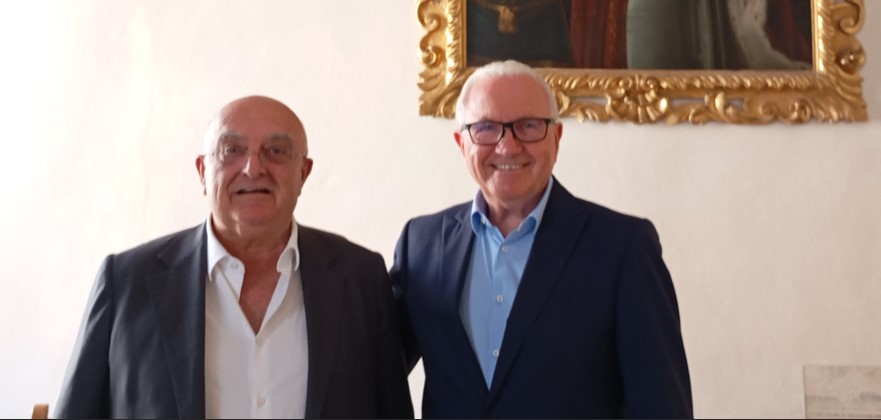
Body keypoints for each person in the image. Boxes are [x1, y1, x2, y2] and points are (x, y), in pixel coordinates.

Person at [55, 96, 414, 419]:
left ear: (303, 173)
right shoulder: (126, 282)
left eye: (276, 151)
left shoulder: (362, 279)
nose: (253, 168)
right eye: (231, 150)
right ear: (202, 172)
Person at [391, 61, 693, 418]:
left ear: (556, 137)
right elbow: (371, 371)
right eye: (486, 127)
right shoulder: (421, 245)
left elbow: (661, 406)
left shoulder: (623, 248)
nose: (508, 146)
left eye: (528, 126)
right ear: (461, 142)